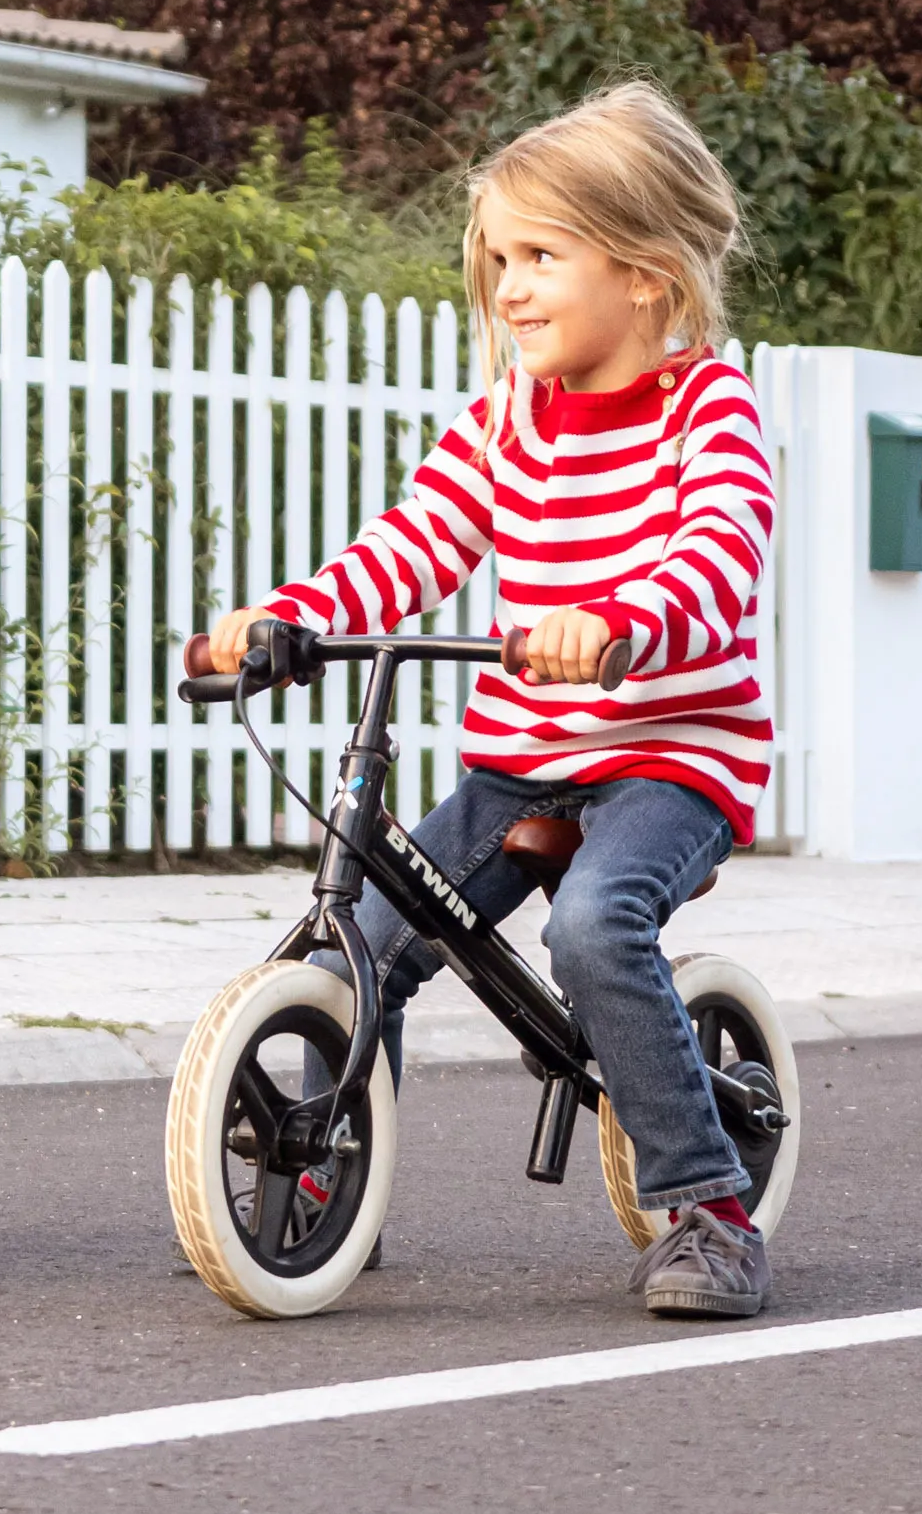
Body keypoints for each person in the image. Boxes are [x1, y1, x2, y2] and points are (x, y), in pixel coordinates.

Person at [206, 81, 778, 1319]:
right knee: (362, 933)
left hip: (668, 756)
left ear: (643, 274)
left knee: (591, 928)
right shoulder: (506, 422)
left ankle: (705, 1208)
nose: (507, 287)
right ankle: (324, 1182)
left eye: (539, 256)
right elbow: (410, 543)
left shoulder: (707, 413)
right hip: (522, 757)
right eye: (498, 259)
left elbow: (717, 557)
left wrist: (619, 625)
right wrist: (286, 619)